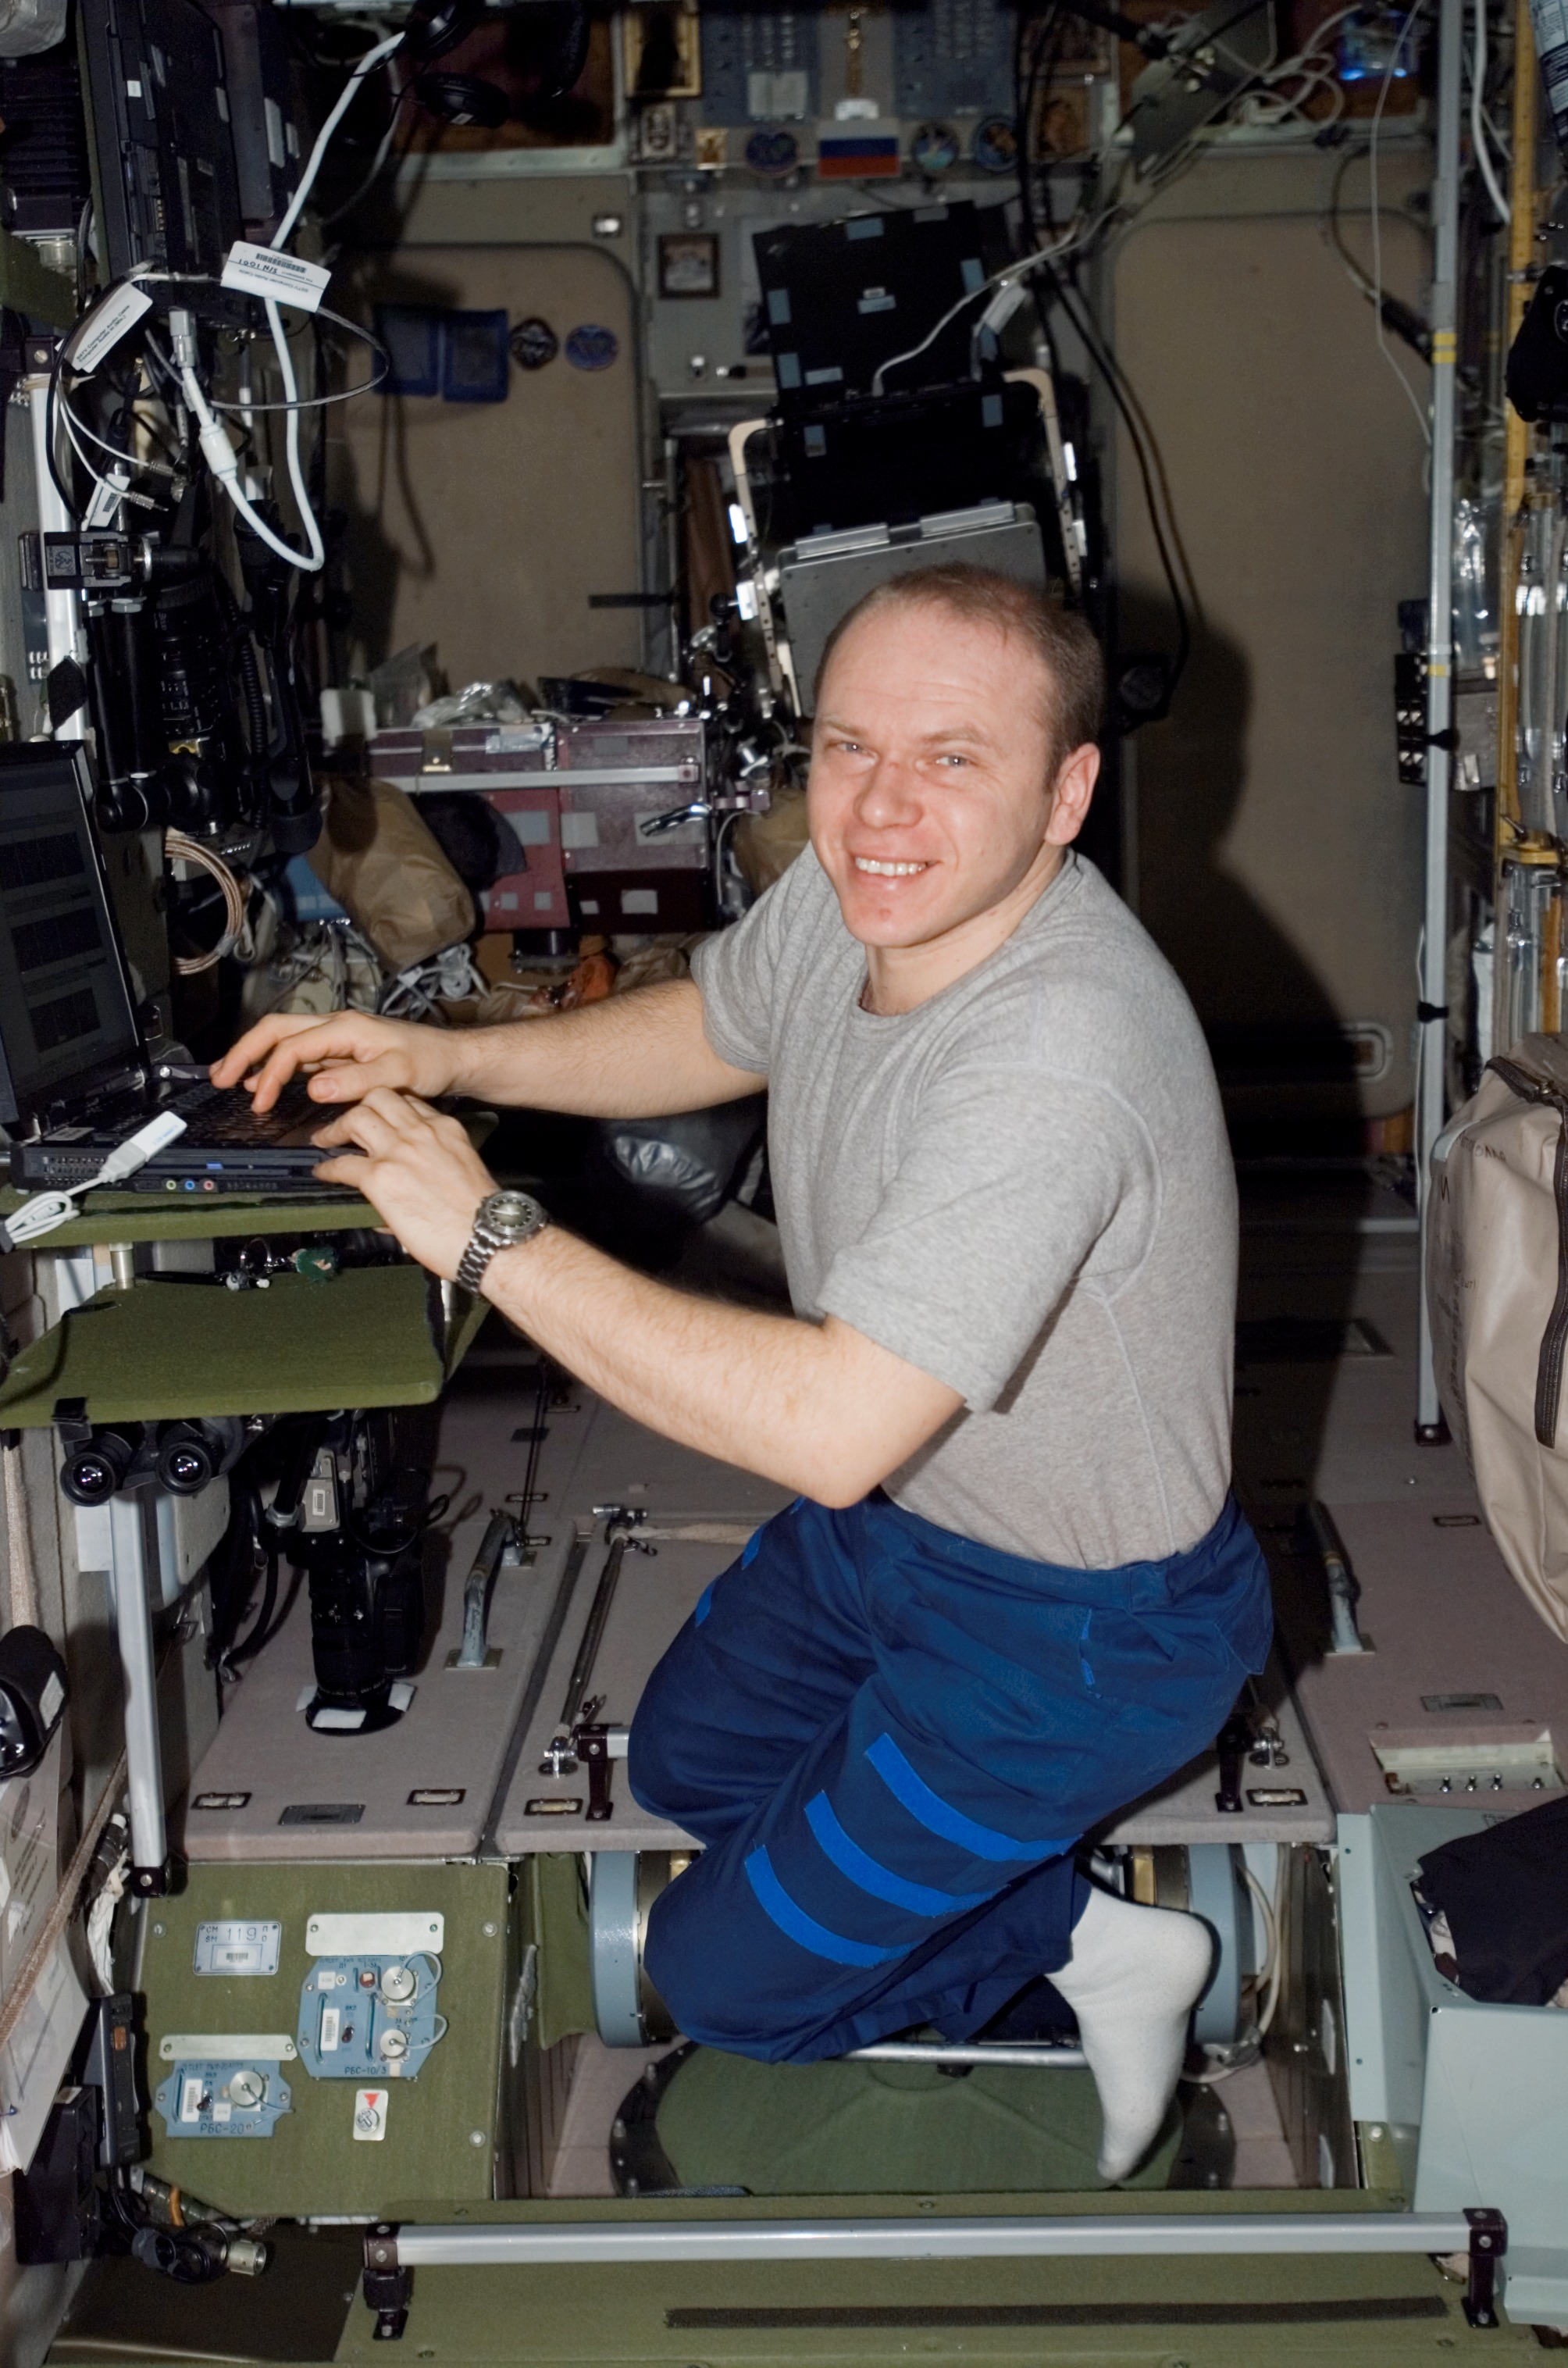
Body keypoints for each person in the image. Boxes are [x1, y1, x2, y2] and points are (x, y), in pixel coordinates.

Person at [215, 565, 1271, 2182]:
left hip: (1084, 1631)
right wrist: (452, 1055)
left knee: (718, 1980)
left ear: (1067, 793)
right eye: (848, 746)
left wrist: (486, 1235)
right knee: (691, 1760)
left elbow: (834, 1425)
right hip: (911, 1526)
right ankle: (1080, 1929)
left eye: (952, 757)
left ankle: (1093, 1963)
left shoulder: (1056, 1054)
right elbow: (718, 1021)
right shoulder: (869, 892)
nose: (880, 806)